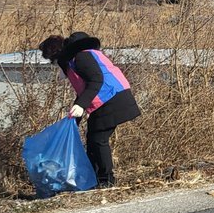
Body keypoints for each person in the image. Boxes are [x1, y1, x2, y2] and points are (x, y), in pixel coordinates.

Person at [38, 31, 140, 188]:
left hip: (113, 98)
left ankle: (106, 180)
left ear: (58, 55)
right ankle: (94, 179)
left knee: (98, 139)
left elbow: (96, 80)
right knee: (93, 138)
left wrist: (81, 105)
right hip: (109, 99)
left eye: (54, 61)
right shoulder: (78, 57)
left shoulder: (81, 57)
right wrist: (75, 118)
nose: (56, 66)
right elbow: (84, 90)